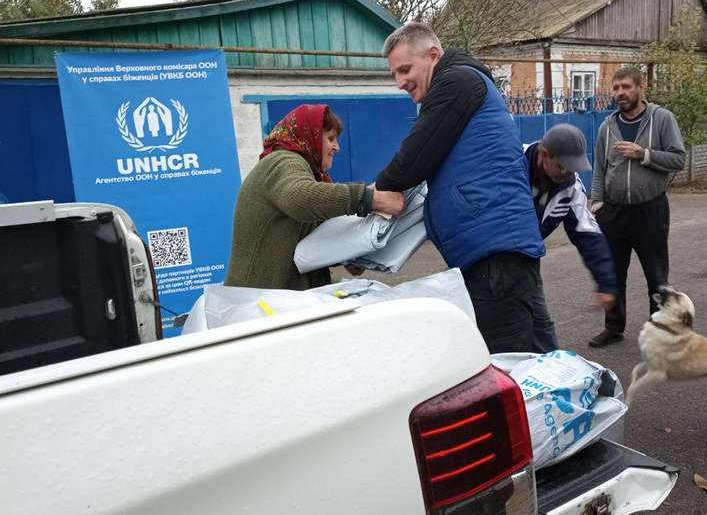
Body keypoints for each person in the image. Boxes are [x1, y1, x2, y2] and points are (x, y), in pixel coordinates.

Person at [375, 22, 545, 353]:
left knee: (507, 364)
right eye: (394, 74)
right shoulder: (461, 84)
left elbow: (413, 160)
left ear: (433, 54)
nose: (399, 83)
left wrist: (373, 197)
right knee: (532, 358)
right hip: (495, 252)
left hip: (494, 256)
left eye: (405, 70)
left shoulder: (456, 82)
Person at [225, 104, 404, 290]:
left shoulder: (305, 171)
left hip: (279, 299)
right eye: (331, 138)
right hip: (257, 304)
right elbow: (300, 198)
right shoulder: (282, 161)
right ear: (311, 136)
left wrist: (348, 254)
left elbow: (314, 233)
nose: (337, 147)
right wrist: (371, 199)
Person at [588, 67, 686, 347]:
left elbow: (679, 159)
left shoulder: (662, 118)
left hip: (650, 210)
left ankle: (658, 331)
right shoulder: (607, 126)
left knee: (656, 276)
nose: (620, 92)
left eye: (626, 87)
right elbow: (599, 168)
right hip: (614, 213)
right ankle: (613, 327)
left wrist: (643, 154)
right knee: (614, 274)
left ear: (640, 88)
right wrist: (597, 204)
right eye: (616, 87)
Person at [524, 124, 617, 352]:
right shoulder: (511, 163)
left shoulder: (571, 187)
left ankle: (546, 376)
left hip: (525, 261)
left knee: (541, 326)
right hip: (487, 258)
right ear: (544, 156)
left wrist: (606, 283)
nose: (569, 173)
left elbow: (588, 234)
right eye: (563, 167)